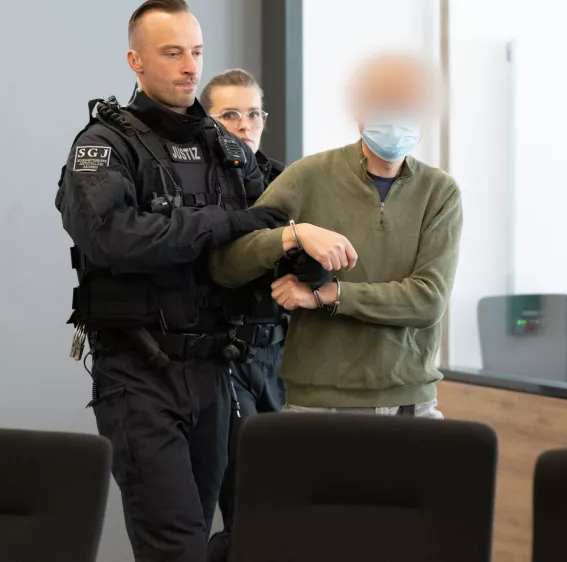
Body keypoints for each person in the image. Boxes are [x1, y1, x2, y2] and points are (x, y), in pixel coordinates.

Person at [54, 1, 285, 560]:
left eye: (197, 52)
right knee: (175, 547)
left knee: (235, 535)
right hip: (140, 378)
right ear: (136, 60)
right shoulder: (104, 144)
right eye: (172, 52)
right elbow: (112, 235)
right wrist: (223, 222)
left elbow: (273, 218)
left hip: (216, 373)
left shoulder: (227, 148)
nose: (189, 66)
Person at [209, 51, 462, 418]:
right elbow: (227, 264)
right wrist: (294, 235)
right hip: (316, 403)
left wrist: (327, 295)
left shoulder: (440, 192)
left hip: (409, 401)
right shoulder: (307, 176)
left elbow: (428, 301)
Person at [198, 68, 287, 562]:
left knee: (282, 498)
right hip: (222, 355)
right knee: (244, 501)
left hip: (279, 354)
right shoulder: (196, 182)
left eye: (253, 113)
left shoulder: (283, 180)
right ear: (206, 121)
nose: (244, 124)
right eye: (230, 114)